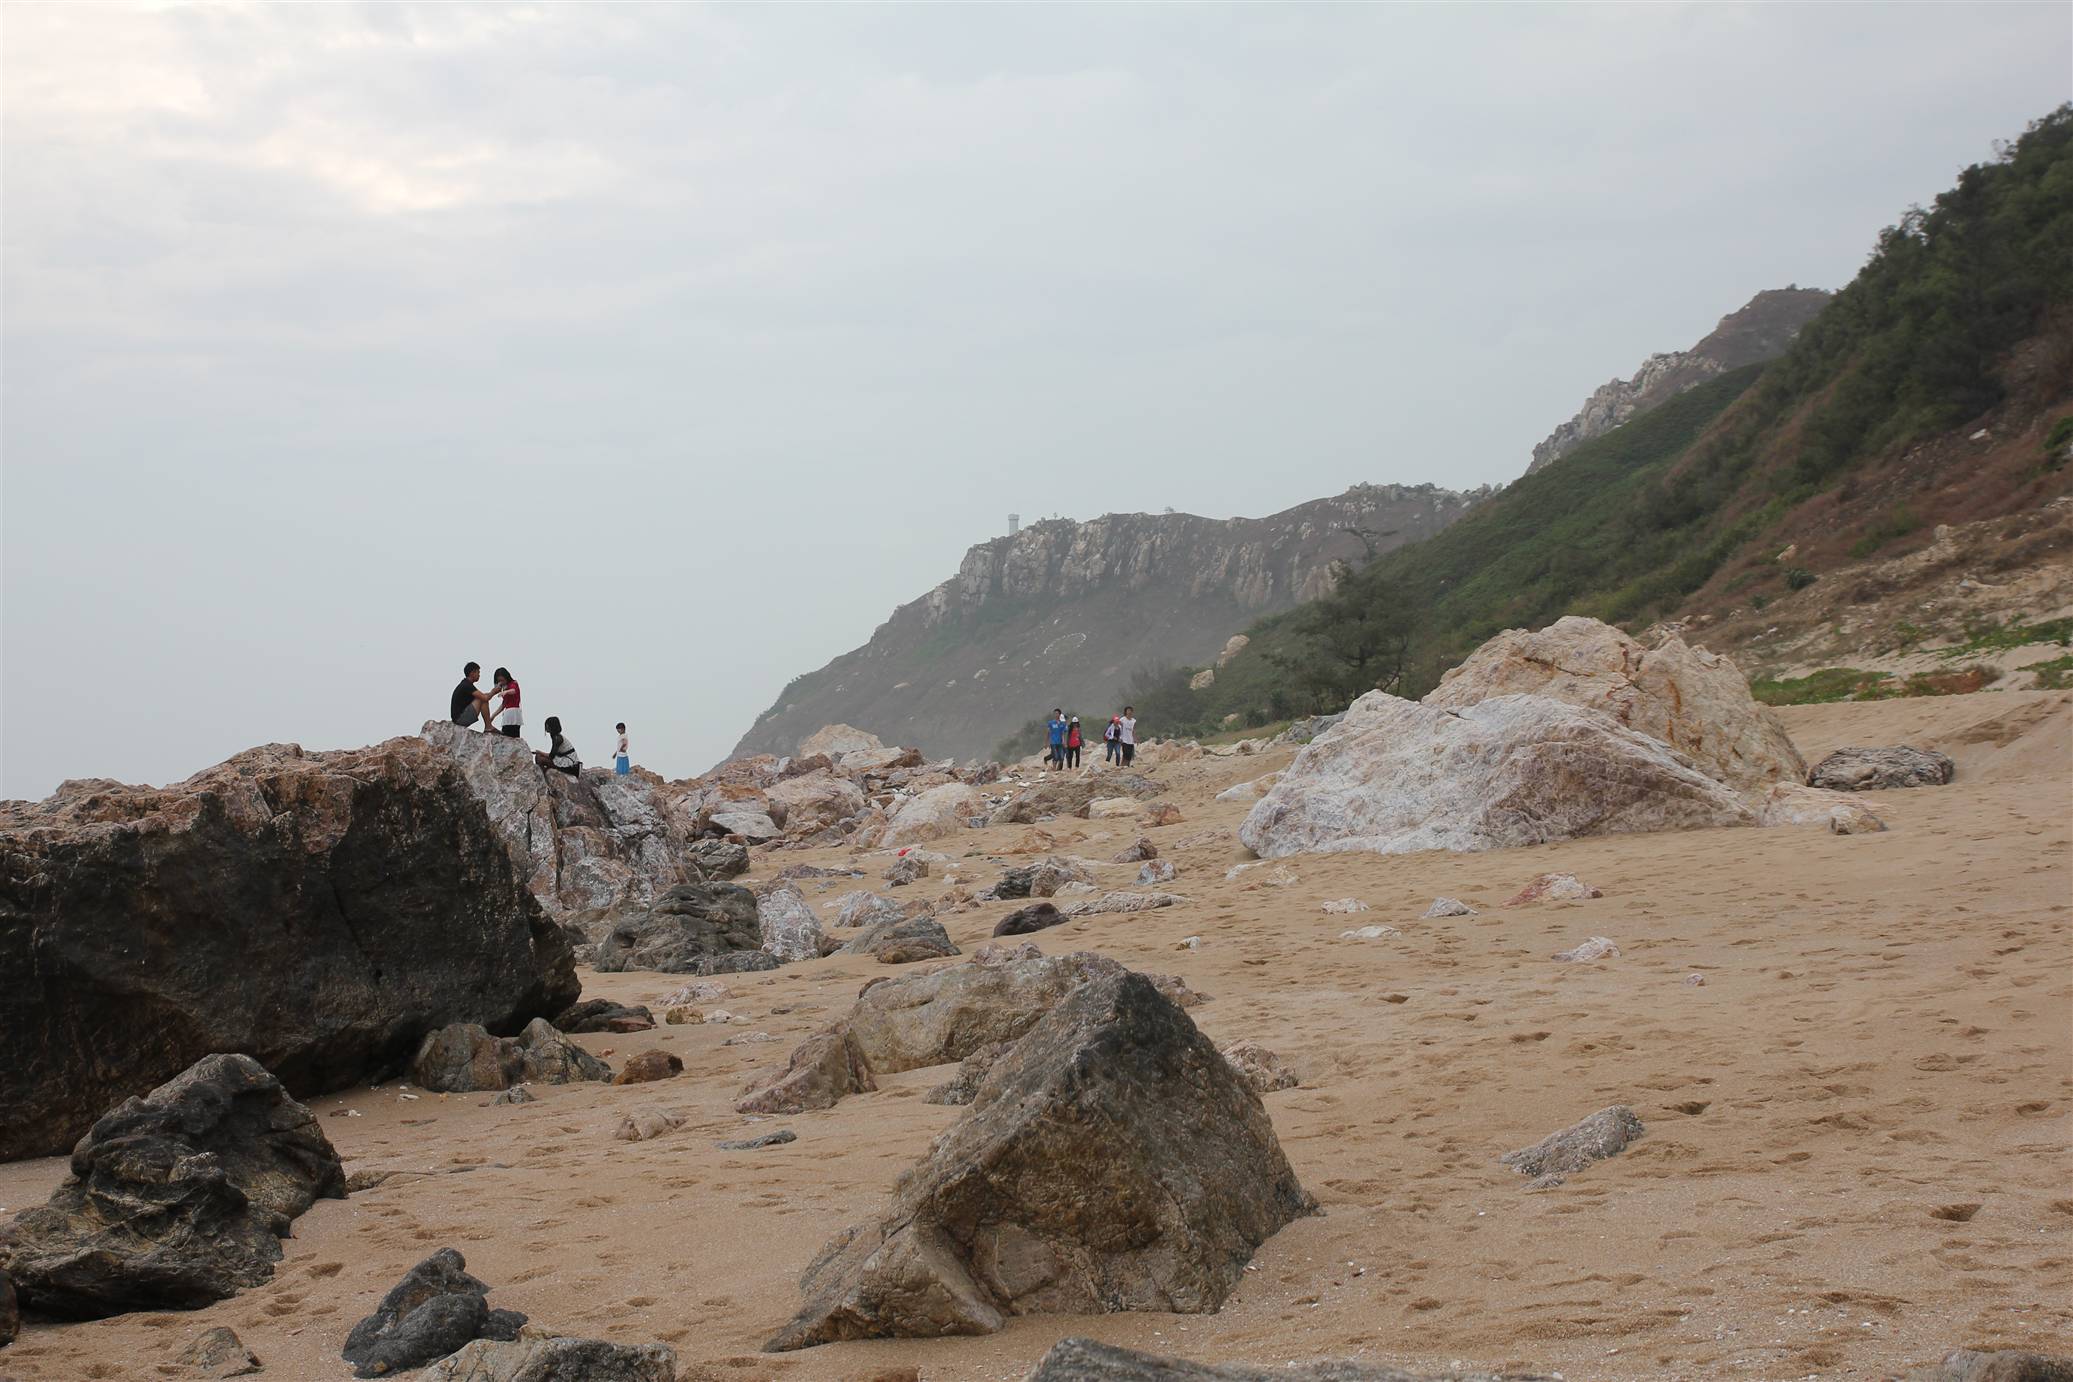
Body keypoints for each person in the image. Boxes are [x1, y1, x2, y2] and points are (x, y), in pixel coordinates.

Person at [486, 667, 523, 738]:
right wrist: (493, 715)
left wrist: (506, 692)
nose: (501, 682)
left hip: (513, 712)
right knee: (508, 734)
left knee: (509, 734)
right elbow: (503, 705)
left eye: (502, 680)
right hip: (508, 713)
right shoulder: (505, 687)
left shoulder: (513, 683)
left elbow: (513, 690)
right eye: (499, 681)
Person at [449, 661, 488, 727]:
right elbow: (484, 698)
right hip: (460, 720)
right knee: (482, 699)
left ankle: (488, 726)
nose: (479, 675)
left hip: (459, 719)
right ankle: (488, 726)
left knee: (482, 697)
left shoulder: (466, 684)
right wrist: (494, 691)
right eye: (478, 672)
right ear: (472, 673)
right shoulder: (466, 685)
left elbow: (483, 695)